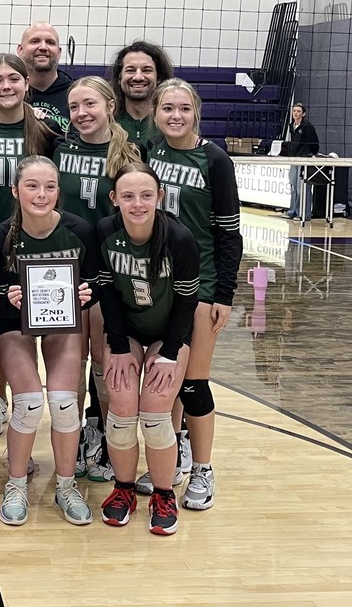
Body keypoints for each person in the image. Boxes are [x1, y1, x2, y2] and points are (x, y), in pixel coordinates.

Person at [145, 78, 243, 510]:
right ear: (155, 112)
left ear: (196, 112)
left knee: (194, 384)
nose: (176, 116)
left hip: (200, 284)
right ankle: (174, 456)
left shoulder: (215, 159)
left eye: (184, 108)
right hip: (156, 283)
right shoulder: (149, 152)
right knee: (165, 380)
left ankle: (203, 469)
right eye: (168, 108)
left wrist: (224, 293)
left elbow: (229, 233)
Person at [0, 156, 98, 527]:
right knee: (28, 403)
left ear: (59, 190)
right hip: (15, 324)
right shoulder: (1, 235)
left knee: (65, 403)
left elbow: (98, 281)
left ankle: (67, 486)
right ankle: (16, 483)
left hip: (63, 323)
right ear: (16, 190)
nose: (41, 194)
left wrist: (88, 292)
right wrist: (8, 294)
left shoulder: (79, 230)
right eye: (32, 186)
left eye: (49, 186)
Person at [96, 162, 200, 536]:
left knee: (156, 413)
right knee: (122, 408)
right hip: (127, 333)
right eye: (128, 196)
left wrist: (170, 352)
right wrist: (120, 347)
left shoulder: (179, 237)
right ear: (114, 200)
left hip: (169, 334)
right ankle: (123, 490)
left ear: (159, 196)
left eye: (145, 195)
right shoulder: (106, 231)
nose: (137, 203)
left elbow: (188, 302)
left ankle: (163, 493)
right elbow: (107, 294)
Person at [0, 53, 59, 452]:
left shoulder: (46, 132)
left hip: (32, 246)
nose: (6, 87)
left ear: (26, 83)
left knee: (24, 331)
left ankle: (17, 408)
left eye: (13, 79)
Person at [53, 77, 141, 480]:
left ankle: (106, 439)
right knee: (71, 362)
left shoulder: (129, 155)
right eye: (73, 107)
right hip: (64, 265)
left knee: (105, 363)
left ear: (110, 105)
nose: (81, 114)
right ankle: (73, 442)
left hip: (108, 268)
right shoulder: (58, 147)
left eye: (89, 104)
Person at [0, 22, 74, 132]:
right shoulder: (1, 95)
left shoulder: (74, 94)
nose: (43, 47)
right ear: (20, 50)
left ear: (59, 52)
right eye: (35, 41)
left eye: (50, 42)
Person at [109, 41, 174, 144]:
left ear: (159, 78)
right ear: (119, 78)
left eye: (146, 70)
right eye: (130, 70)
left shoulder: (172, 123)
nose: (138, 77)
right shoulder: (106, 123)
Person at [281, 102, 320, 222]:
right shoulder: (291, 126)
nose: (295, 113)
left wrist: (308, 155)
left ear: (303, 114)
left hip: (304, 159)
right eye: (294, 111)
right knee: (293, 185)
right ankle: (292, 211)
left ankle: (304, 213)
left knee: (302, 187)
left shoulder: (308, 127)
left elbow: (315, 144)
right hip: (294, 159)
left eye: (298, 111)